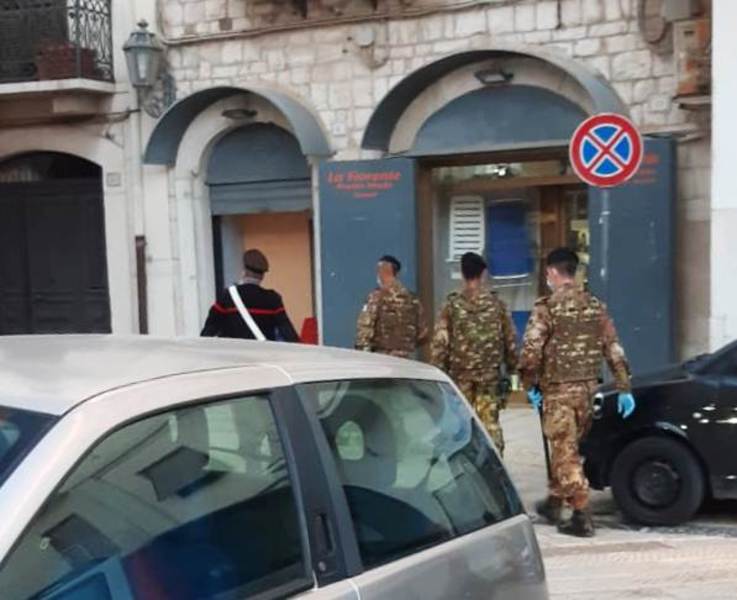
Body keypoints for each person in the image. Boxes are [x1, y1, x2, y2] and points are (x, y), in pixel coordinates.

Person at [519, 247, 635, 538]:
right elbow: (613, 347)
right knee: (568, 449)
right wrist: (624, 386)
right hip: (587, 391)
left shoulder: (546, 307)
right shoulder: (595, 305)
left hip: (558, 392)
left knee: (565, 452)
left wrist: (529, 385)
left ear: (553, 272)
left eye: (548, 273)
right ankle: (554, 502)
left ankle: (581, 516)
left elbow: (531, 352)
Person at [431, 252, 518, 456]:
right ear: (483, 273)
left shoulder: (451, 305)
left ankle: (468, 465)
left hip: (460, 377)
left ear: (462, 274)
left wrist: (438, 373)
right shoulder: (497, 304)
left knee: (462, 424)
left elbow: (440, 343)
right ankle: (494, 463)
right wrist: (513, 369)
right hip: (489, 376)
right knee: (490, 424)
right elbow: (510, 340)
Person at [201, 248, 299, 342]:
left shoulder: (228, 296)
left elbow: (210, 328)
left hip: (233, 352)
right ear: (262, 276)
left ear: (244, 271)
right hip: (262, 352)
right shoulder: (272, 299)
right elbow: (287, 332)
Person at [355, 255, 428, 358]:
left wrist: (363, 354)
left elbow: (364, 330)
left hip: (382, 358)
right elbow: (423, 334)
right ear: (397, 273)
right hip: (407, 359)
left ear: (380, 272)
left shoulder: (376, 297)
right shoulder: (413, 299)